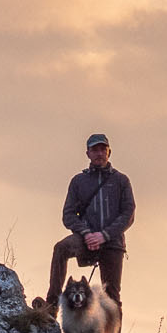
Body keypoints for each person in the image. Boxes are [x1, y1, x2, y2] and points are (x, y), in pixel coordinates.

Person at [40, 132, 134, 318]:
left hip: (112, 243)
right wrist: (86, 234)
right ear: (88, 154)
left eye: (102, 149)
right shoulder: (78, 181)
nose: (99, 153)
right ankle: (51, 306)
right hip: (85, 238)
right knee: (61, 248)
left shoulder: (121, 181)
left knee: (111, 297)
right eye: (95, 150)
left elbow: (128, 214)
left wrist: (104, 235)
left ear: (109, 152)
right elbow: (68, 215)